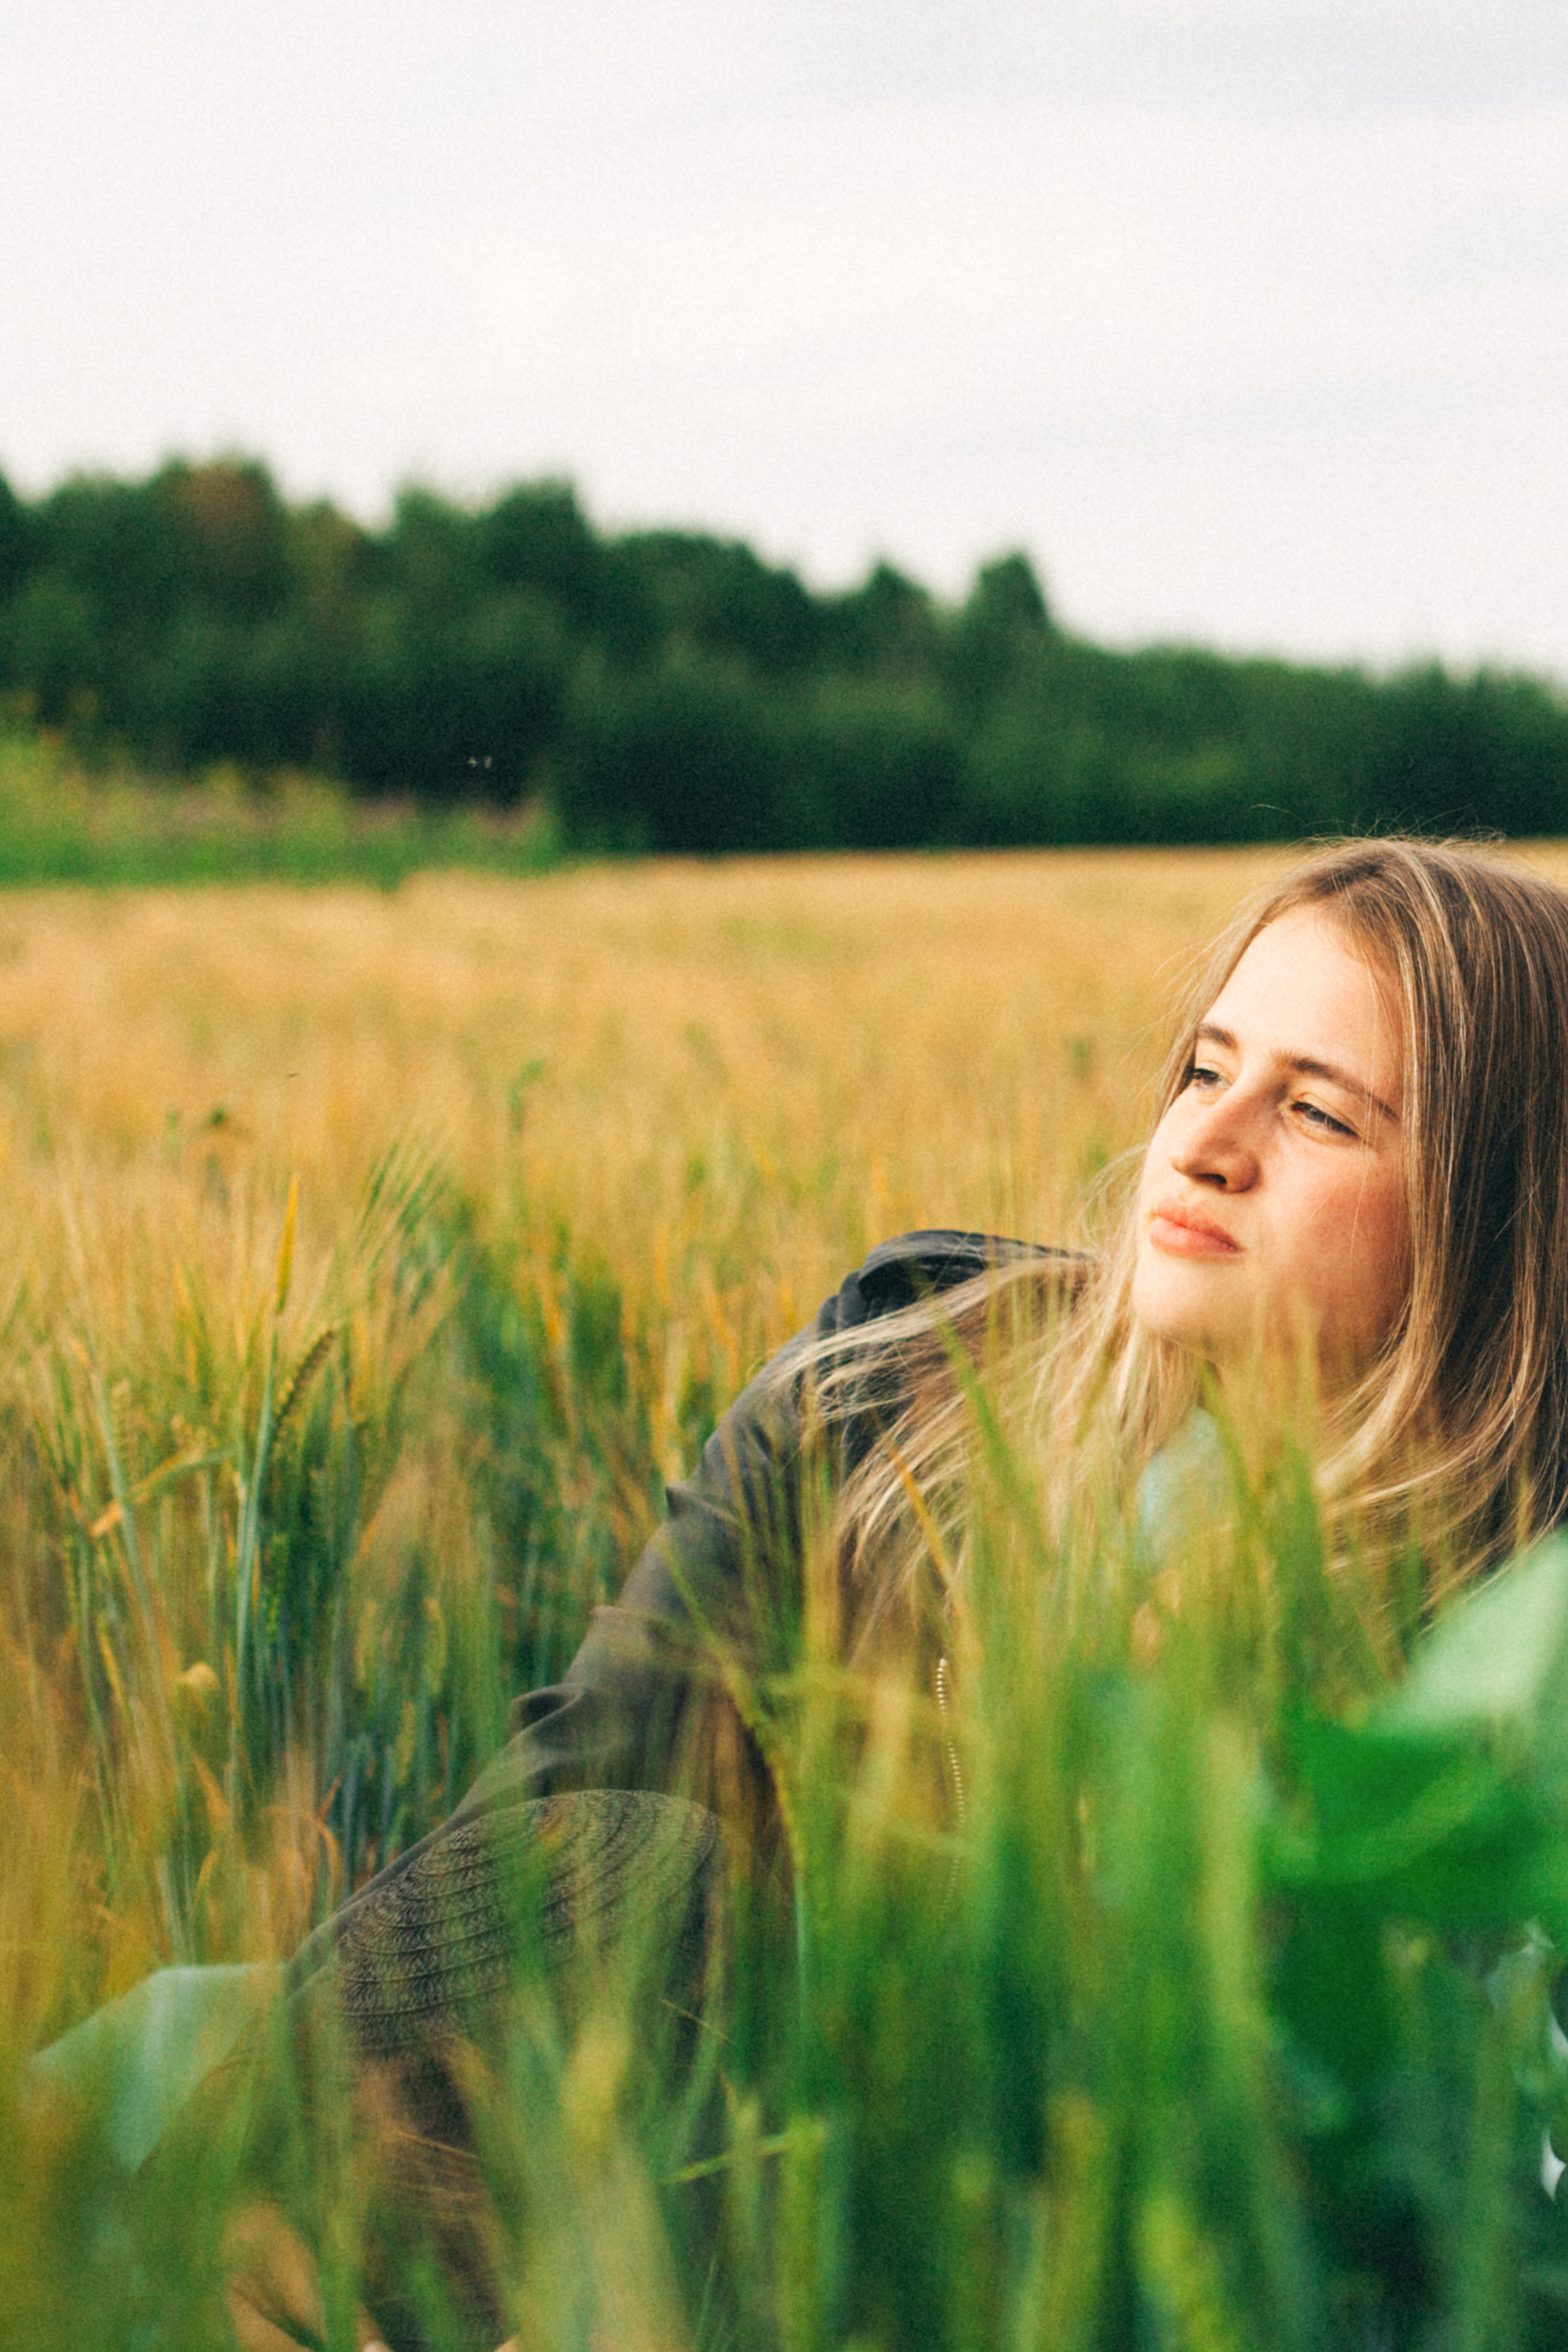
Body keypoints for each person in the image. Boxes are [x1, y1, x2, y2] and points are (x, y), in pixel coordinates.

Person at [66, 836, 1568, 2346]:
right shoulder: (898, 1386)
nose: (1206, 1142)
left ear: (1496, 1213)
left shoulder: (1503, 1678)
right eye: (1203, 1070)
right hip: (650, 2151)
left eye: (1316, 1111)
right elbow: (555, 1839)